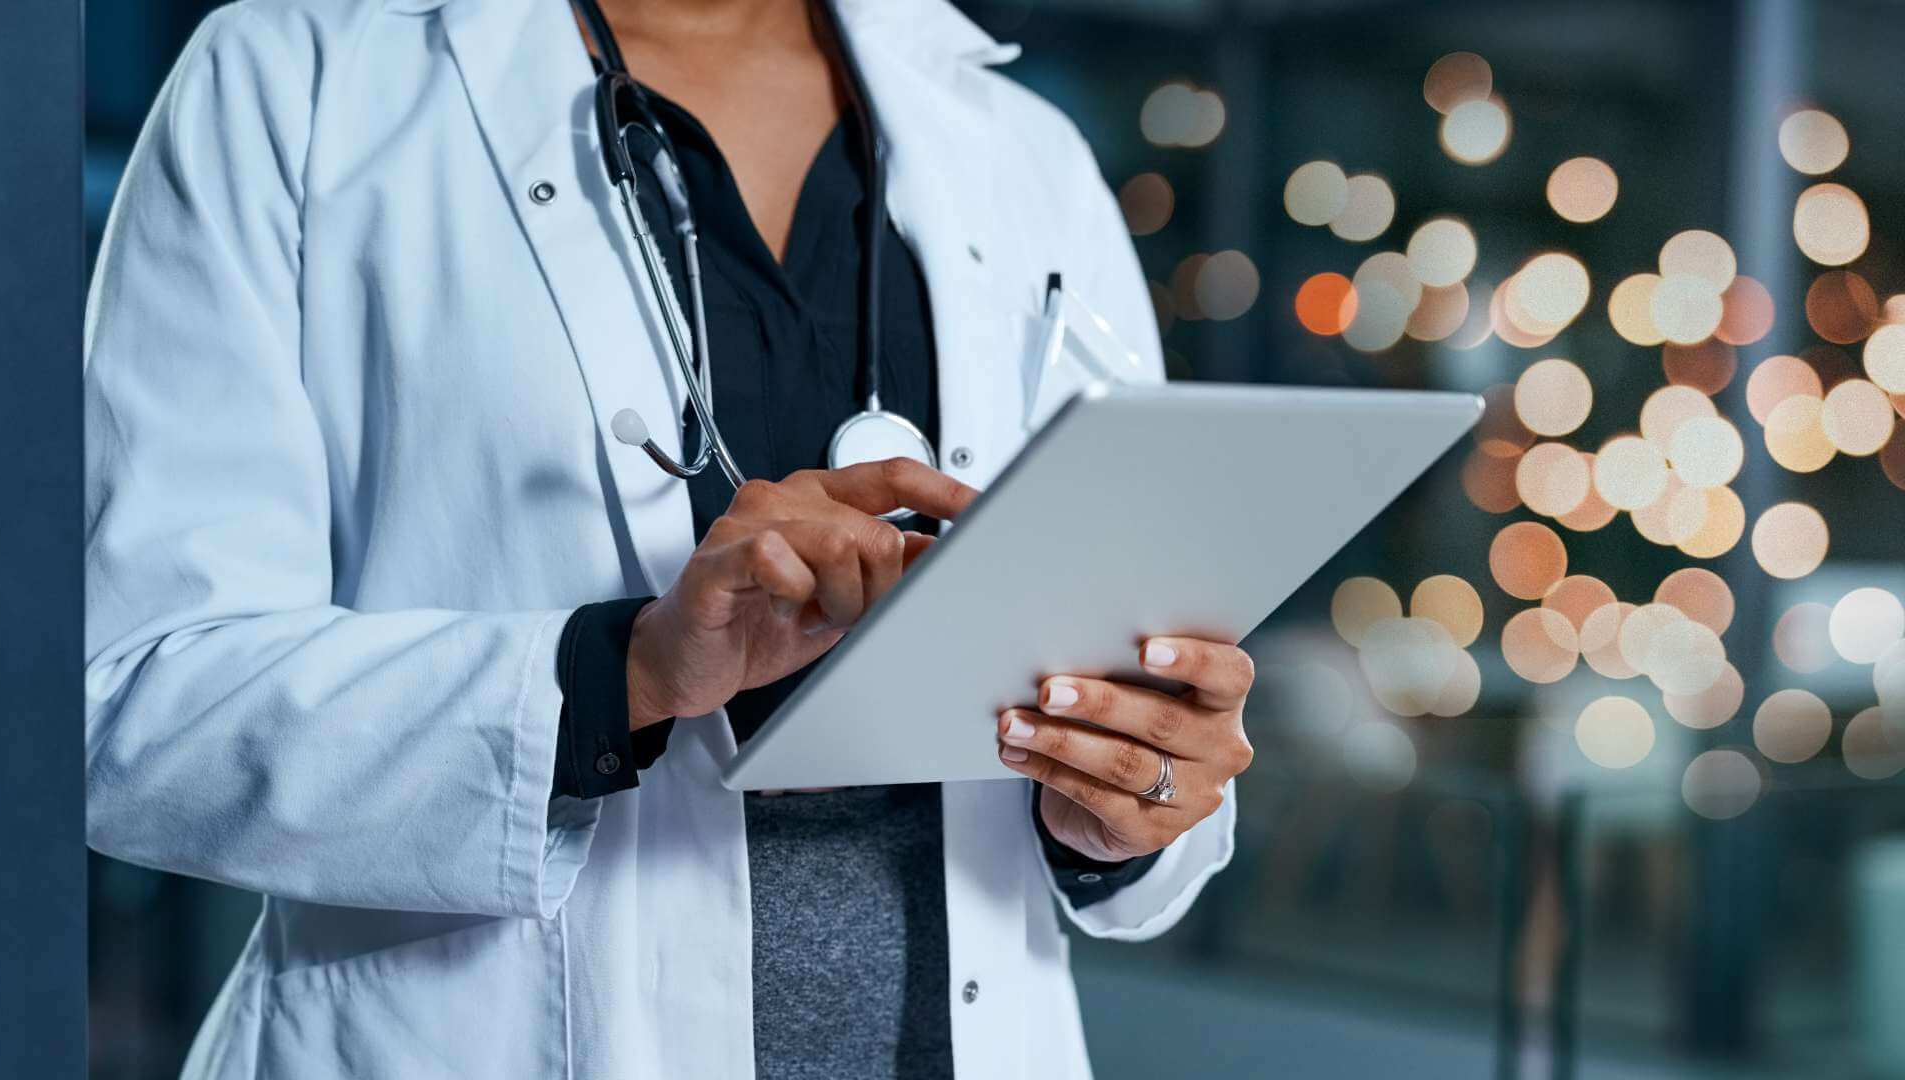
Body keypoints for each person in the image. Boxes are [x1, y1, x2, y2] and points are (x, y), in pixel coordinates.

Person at [83, 0, 1254, 1075]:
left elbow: (1134, 731)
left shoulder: (1023, 152)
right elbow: (130, 701)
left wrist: (1127, 801)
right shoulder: (298, 81)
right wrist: (621, 677)